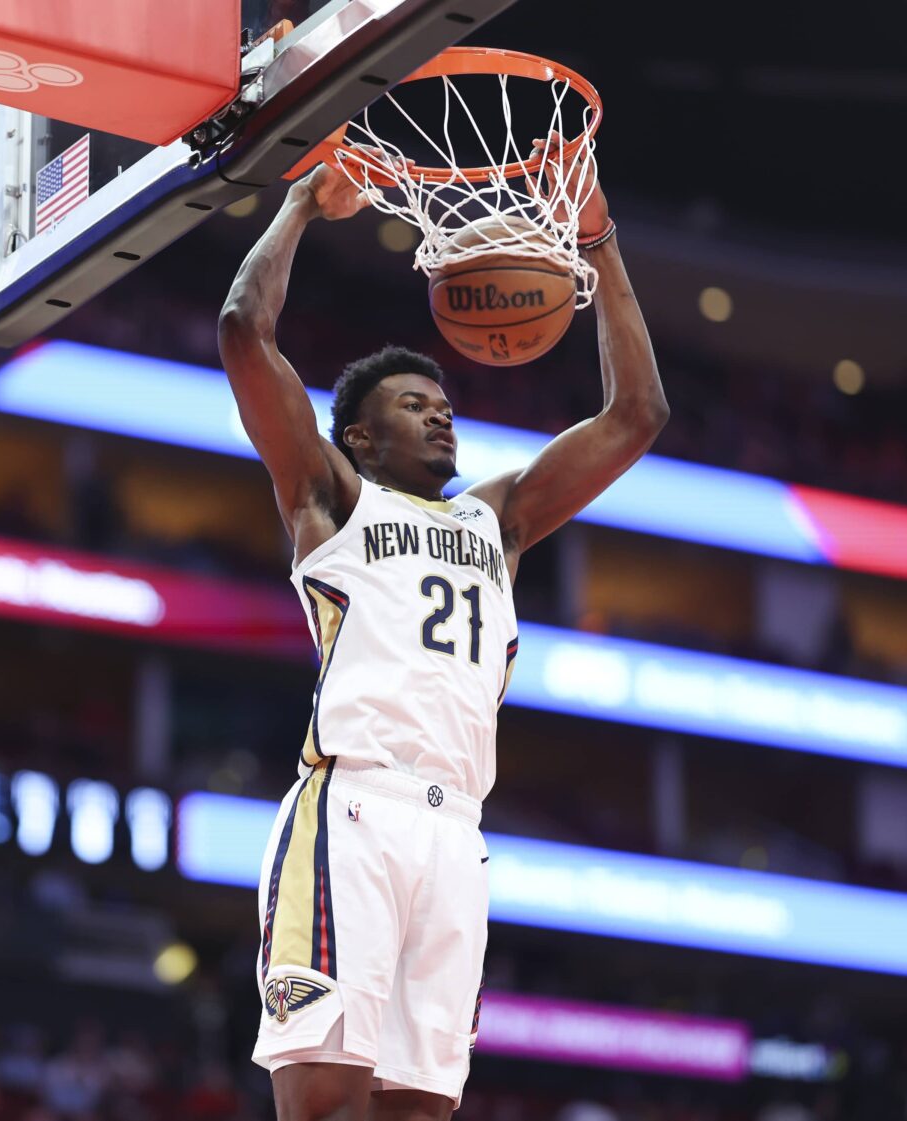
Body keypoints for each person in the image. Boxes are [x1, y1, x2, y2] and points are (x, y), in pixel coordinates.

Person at [217, 146, 668, 1121]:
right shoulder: (332, 497)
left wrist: (598, 241)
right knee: (327, 1103)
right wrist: (301, 206)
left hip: (457, 833)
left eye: (446, 406)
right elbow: (244, 330)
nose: (441, 418)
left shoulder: (497, 519)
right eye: (414, 406)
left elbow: (637, 414)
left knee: (420, 1110)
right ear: (361, 437)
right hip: (354, 808)